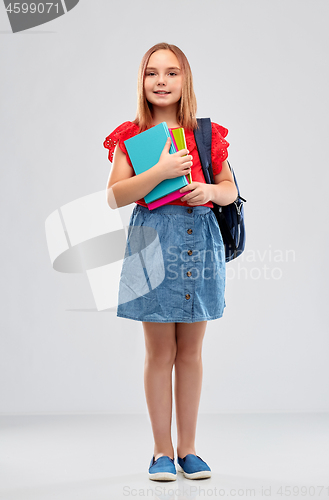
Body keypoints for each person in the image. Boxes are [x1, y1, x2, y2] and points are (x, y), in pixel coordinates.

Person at [104, 42, 238, 481]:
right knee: (159, 352)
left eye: (171, 72)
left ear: (185, 80)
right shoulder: (132, 135)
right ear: (142, 82)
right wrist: (160, 172)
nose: (161, 81)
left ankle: (189, 449)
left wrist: (209, 193)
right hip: (152, 241)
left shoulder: (204, 133)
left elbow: (229, 188)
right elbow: (115, 196)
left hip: (198, 239)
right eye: (152, 73)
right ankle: (161, 452)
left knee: (192, 352)